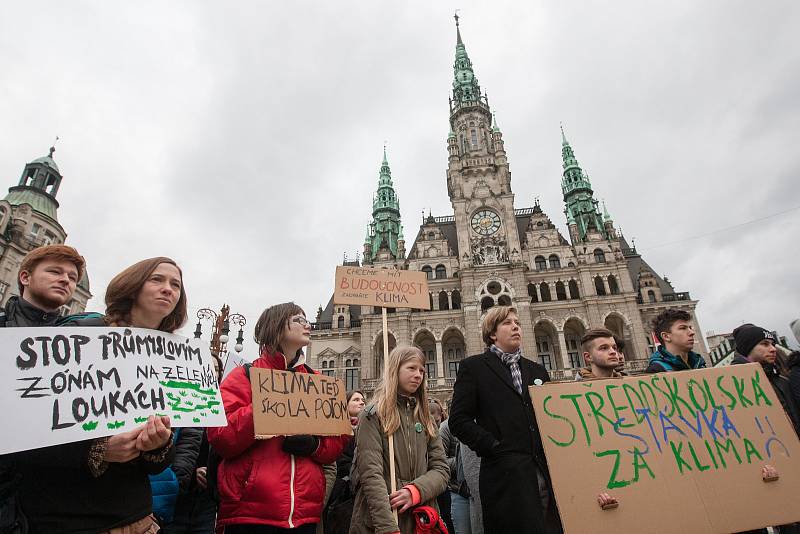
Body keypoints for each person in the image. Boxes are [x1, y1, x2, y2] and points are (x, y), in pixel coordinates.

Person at [16, 256, 185, 532]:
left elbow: (159, 465)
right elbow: (26, 428)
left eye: (176, 285)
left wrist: (159, 444)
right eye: (157, 279)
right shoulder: (84, 333)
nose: (168, 289)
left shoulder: (172, 358)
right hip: (65, 518)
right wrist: (96, 449)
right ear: (133, 285)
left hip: (136, 518)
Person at [208, 302, 350, 533]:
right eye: (298, 320)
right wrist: (268, 407)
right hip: (250, 513)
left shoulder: (318, 382)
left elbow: (338, 440)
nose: (307, 325)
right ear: (277, 327)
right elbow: (220, 436)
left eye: (307, 320)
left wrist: (314, 445)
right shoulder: (244, 376)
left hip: (304, 514)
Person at [0, 245, 89, 534]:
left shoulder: (83, 348)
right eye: (55, 271)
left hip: (50, 502)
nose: (66, 280)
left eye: (73, 277)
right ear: (24, 277)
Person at [449, 306, 561, 534]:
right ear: (492, 333)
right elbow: (458, 420)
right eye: (508, 323)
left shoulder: (538, 371)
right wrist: (492, 447)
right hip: (504, 478)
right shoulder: (474, 367)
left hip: (543, 475)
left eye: (517, 322)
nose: (516, 326)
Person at [349, 346, 449, 534]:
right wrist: (387, 527)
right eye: (411, 368)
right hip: (383, 520)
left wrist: (416, 491)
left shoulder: (425, 417)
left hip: (421, 519)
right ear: (395, 370)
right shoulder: (372, 415)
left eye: (421, 370)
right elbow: (371, 474)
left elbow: (441, 469)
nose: (418, 375)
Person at [323, 391, 366, 534]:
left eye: (363, 400)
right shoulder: (337, 429)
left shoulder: (369, 428)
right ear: (345, 405)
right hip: (343, 494)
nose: (361, 402)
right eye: (356, 399)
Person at [644, 309, 707, 373]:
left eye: (690, 328)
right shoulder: (655, 370)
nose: (692, 332)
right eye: (682, 328)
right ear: (666, 336)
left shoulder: (700, 363)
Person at [439, 417, 472, 534]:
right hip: (459, 493)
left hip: (481, 492)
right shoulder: (446, 428)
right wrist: (463, 458)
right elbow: (440, 463)